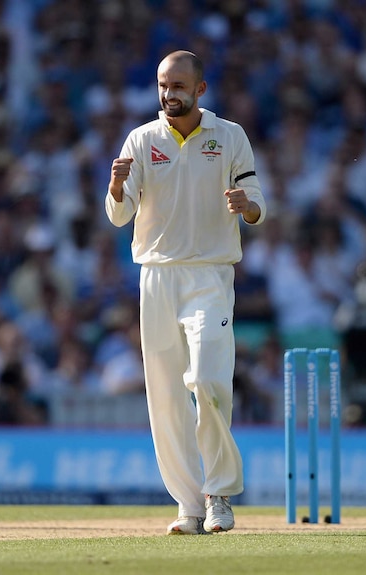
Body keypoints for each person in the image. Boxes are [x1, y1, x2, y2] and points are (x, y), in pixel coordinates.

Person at [105, 50, 266, 535]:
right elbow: (119, 215)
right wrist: (115, 189)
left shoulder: (229, 136)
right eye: (162, 85)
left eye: (178, 86)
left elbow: (257, 202)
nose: (168, 94)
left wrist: (248, 207)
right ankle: (189, 506)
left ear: (200, 89)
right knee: (167, 398)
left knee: (208, 381)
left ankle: (218, 495)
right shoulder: (142, 139)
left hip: (210, 275)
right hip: (156, 277)